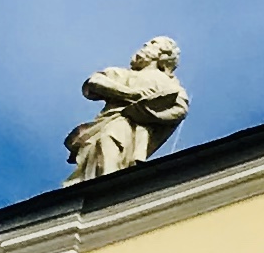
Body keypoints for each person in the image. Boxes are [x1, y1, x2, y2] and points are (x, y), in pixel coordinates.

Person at [64, 35, 189, 181]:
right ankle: (105, 187)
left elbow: (179, 108)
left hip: (135, 127)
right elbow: (94, 82)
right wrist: (131, 94)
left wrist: (145, 111)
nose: (146, 44)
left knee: (110, 141)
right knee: (103, 146)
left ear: (164, 54)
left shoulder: (169, 84)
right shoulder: (122, 73)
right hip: (111, 120)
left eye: (153, 43)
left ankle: (109, 187)